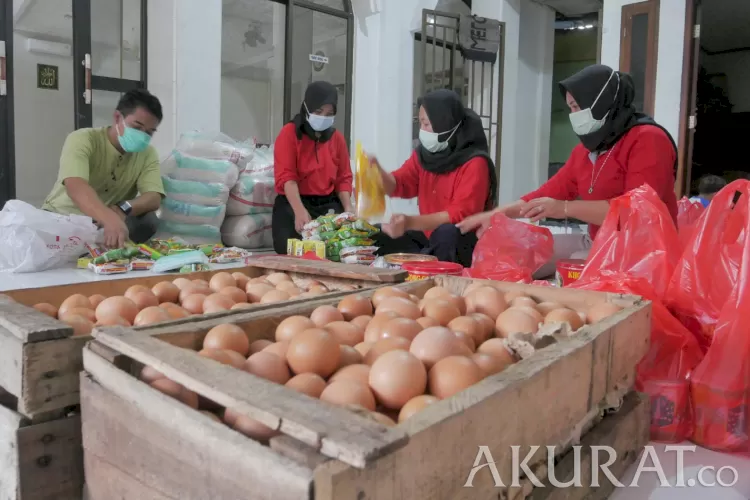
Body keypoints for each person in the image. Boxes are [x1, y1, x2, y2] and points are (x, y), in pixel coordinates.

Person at [458, 64, 678, 260]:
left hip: (644, 253)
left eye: (576, 107)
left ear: (600, 103)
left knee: (573, 273)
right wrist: (494, 215)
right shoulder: (585, 151)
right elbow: (543, 196)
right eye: (570, 108)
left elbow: (636, 212)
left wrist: (564, 208)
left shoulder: (648, 139)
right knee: (515, 254)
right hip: (601, 243)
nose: (573, 115)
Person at [371, 89, 498, 267]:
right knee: (375, 235)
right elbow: (399, 183)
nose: (422, 131)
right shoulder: (424, 155)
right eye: (420, 123)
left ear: (444, 124)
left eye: (427, 124)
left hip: (464, 242)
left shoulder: (475, 163)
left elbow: (458, 217)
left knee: (446, 234)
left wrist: (409, 222)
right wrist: (376, 173)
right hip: (429, 236)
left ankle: (441, 283)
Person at [42, 89, 164, 247]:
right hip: (63, 217)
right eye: (137, 127)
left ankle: (110, 251)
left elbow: (153, 197)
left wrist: (123, 208)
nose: (142, 136)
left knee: (148, 220)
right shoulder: (83, 139)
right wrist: (108, 218)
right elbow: (76, 186)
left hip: (103, 224)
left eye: (149, 132)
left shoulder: (147, 153)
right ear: (117, 117)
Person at [272, 81, 353, 254]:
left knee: (336, 248)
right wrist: (299, 211)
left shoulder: (336, 138)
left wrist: (348, 209)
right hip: (294, 201)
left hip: (327, 203)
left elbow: (343, 178)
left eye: (329, 113)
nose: (323, 117)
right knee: (290, 247)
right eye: (318, 112)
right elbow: (287, 177)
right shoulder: (289, 133)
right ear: (306, 108)